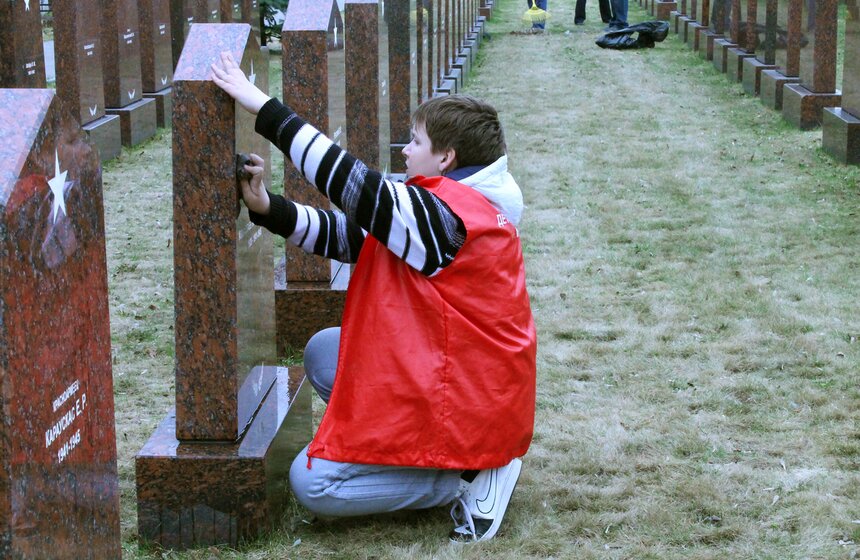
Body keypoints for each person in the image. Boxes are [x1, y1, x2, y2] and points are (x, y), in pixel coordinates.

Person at [210, 52, 537, 543]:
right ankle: (426, 456)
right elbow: (349, 237)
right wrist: (267, 207)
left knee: (313, 485)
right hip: (464, 380)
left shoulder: (446, 217)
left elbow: (350, 183)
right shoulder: (452, 204)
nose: (406, 150)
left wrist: (261, 105)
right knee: (325, 351)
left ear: (446, 158)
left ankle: (464, 476)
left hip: (468, 401)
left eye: (417, 141)